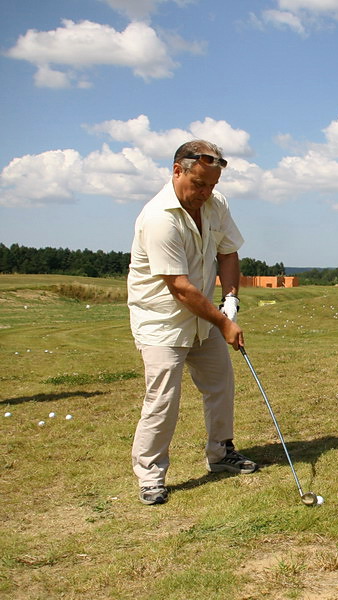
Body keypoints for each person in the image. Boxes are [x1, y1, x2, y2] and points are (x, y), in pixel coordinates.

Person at [127, 140, 256, 506]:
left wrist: (230, 299)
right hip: (162, 322)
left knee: (220, 384)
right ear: (177, 170)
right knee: (163, 398)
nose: (205, 193)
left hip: (204, 319)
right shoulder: (159, 218)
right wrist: (224, 323)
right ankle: (150, 475)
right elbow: (180, 288)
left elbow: (228, 251)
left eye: (212, 185)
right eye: (199, 183)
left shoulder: (216, 205)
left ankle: (220, 452)